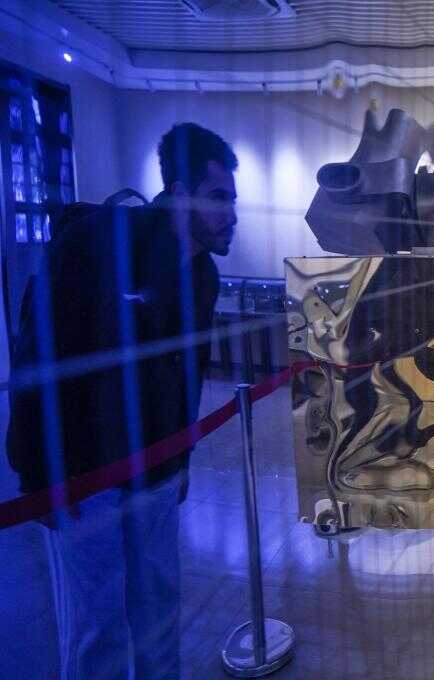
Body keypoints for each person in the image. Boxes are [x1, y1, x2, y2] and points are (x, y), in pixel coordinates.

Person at [6, 122, 237, 680]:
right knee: (98, 628)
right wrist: (40, 477)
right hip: (87, 479)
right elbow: (37, 358)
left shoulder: (202, 275)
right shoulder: (93, 246)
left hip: (156, 473)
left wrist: (182, 460)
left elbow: (189, 371)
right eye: (218, 197)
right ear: (178, 193)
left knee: (159, 612)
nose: (231, 214)